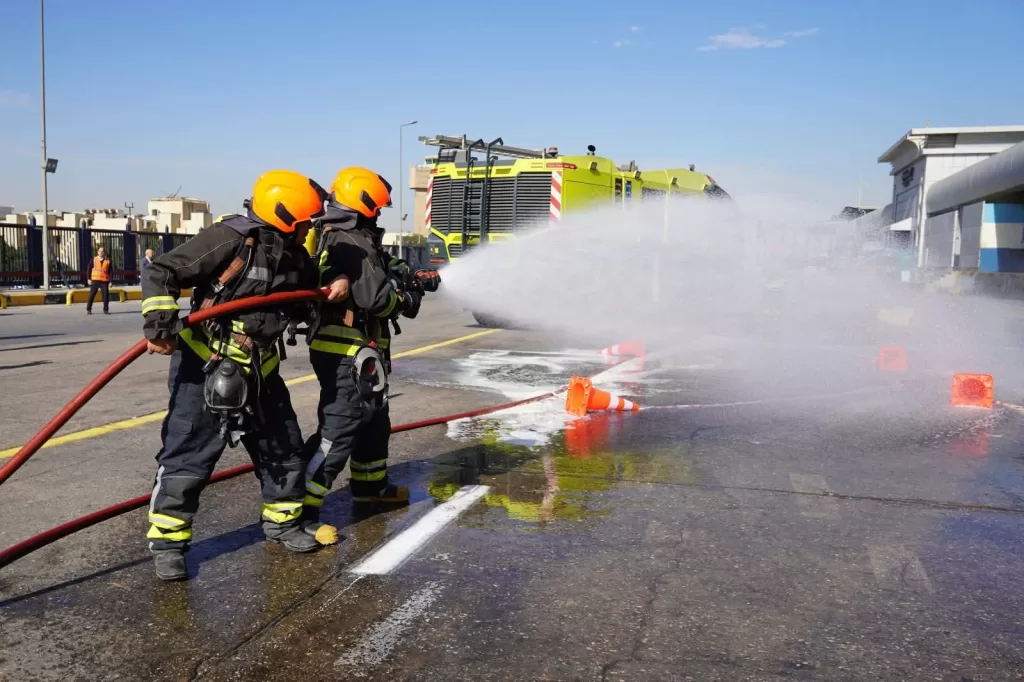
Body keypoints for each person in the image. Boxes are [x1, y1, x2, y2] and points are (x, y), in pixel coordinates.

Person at [139, 169, 349, 581]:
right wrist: (160, 326)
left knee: (282, 449)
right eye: (305, 220)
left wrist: (335, 281)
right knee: (188, 457)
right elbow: (162, 272)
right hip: (207, 366)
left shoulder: (293, 252)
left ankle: (283, 522)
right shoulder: (230, 239)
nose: (309, 227)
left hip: (261, 369)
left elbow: (310, 288)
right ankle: (168, 543)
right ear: (285, 212)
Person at [299, 166, 435, 544]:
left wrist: (408, 273)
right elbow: (376, 298)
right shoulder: (349, 239)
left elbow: (382, 269)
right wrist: (406, 296)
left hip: (363, 351)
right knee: (339, 428)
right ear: (365, 203)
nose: (379, 213)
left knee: (374, 422)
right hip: (344, 351)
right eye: (377, 207)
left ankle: (371, 487)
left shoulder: (357, 238)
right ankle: (301, 509)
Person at [86, 247, 112, 315]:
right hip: (95, 280)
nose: (101, 252)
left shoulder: (108, 261)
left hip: (104, 281)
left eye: (102, 251)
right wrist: (88, 279)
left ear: (104, 252)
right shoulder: (94, 259)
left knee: (106, 296)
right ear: (97, 252)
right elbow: (88, 269)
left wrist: (110, 281)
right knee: (92, 295)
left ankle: (106, 310)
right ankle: (89, 309)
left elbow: (110, 272)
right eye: (100, 251)